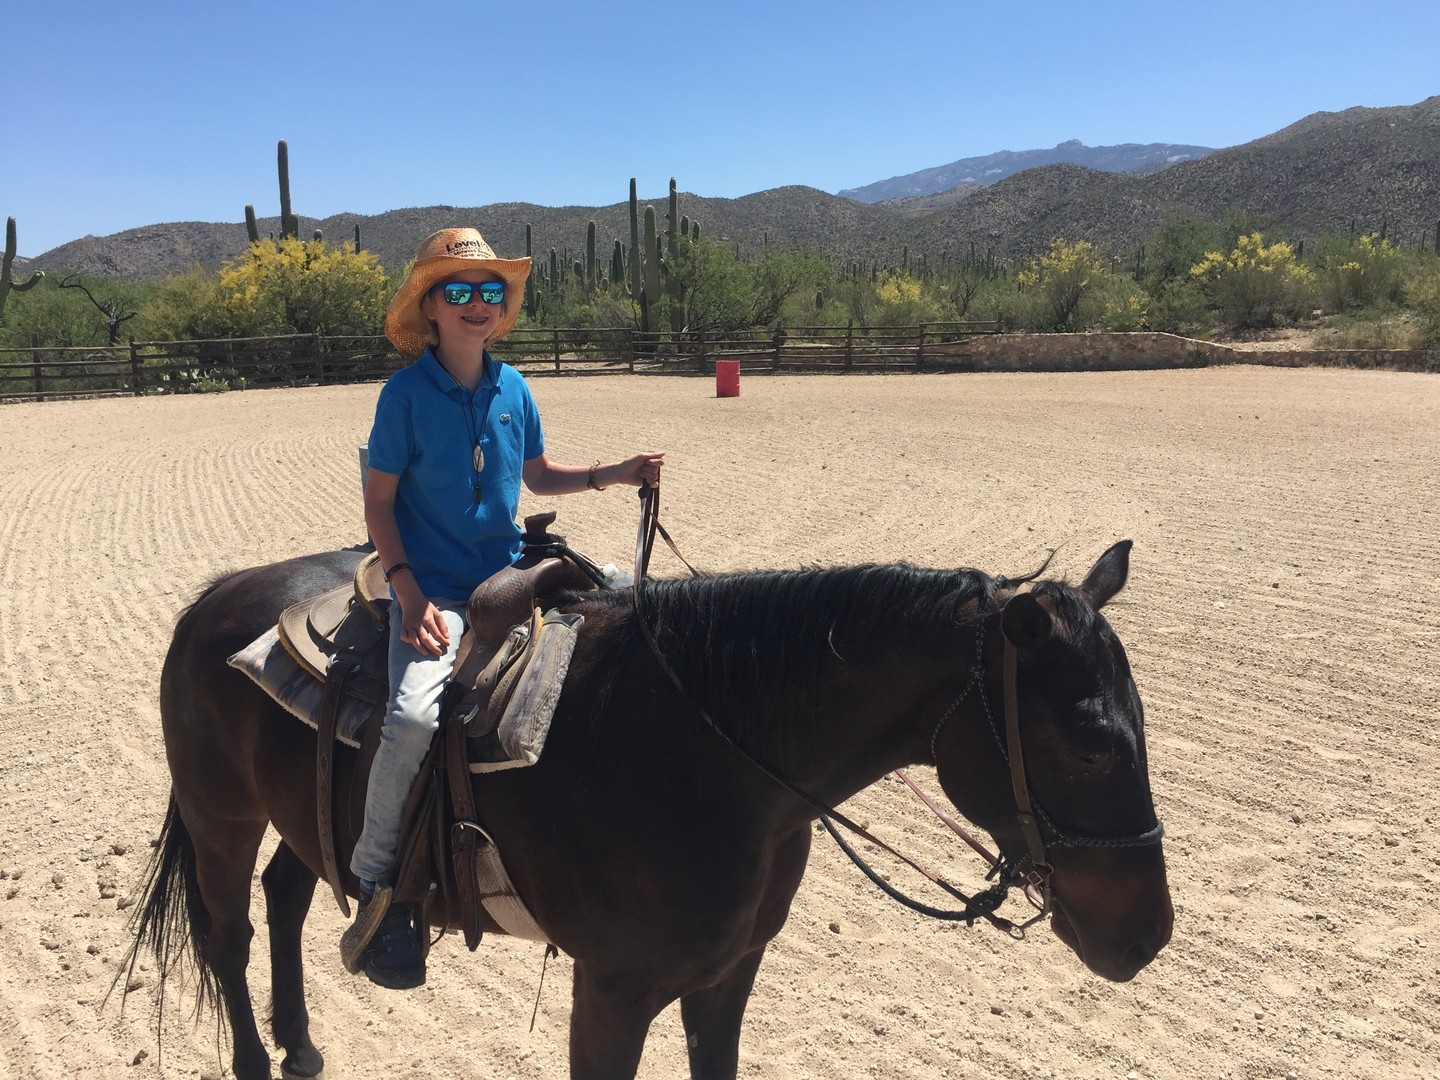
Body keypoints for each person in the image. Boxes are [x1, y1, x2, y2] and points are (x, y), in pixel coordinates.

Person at [342, 227, 663, 989]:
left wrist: (612, 473)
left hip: (509, 571)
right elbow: (379, 504)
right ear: (430, 307)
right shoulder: (404, 396)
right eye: (458, 290)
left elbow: (538, 476)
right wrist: (407, 591)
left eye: (490, 291)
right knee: (412, 718)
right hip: (437, 589)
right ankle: (378, 879)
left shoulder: (513, 386)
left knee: (632, 620)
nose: (477, 304)